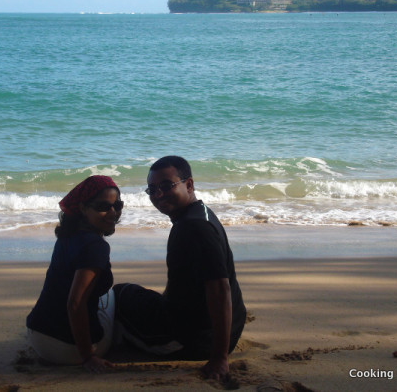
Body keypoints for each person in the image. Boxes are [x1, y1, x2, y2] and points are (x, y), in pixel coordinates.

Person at [114, 156, 246, 380]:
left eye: (166, 186)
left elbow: (220, 289)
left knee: (117, 298)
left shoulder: (193, 228)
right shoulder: (200, 213)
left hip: (193, 341)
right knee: (131, 293)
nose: (158, 194)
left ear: (189, 185)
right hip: (226, 329)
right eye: (152, 189)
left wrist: (219, 358)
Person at [26, 175, 123, 373]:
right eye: (103, 207)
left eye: (118, 205)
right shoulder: (96, 246)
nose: (113, 212)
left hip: (37, 335)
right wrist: (88, 357)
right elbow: (75, 303)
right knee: (113, 294)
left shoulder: (67, 236)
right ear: (83, 208)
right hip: (70, 350)